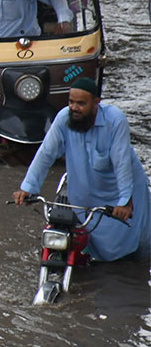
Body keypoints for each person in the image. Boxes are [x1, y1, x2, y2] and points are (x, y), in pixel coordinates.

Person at [13, 78, 151, 262]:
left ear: (96, 104)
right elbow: (46, 154)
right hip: (84, 198)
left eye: (81, 103)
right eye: (71, 102)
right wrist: (28, 188)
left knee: (136, 249)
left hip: (120, 196)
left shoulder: (115, 121)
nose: (74, 108)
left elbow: (122, 163)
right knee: (82, 244)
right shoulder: (64, 119)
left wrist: (125, 202)